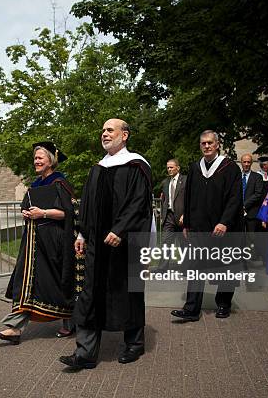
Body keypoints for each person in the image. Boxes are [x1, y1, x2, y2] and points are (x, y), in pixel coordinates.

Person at [59, 119, 153, 370]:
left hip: (124, 244)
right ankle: (85, 353)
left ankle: (134, 343)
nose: (104, 134)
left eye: (110, 130)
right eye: (102, 130)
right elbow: (88, 205)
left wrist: (120, 229)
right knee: (91, 293)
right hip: (98, 245)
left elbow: (139, 204)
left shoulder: (136, 165)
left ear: (125, 135)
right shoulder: (97, 168)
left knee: (128, 292)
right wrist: (81, 234)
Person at [0, 142, 76, 344]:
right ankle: (15, 328)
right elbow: (29, 207)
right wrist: (27, 212)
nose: (36, 161)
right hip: (33, 244)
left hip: (53, 242)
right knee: (27, 283)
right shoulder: (36, 185)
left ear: (51, 160)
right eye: (35, 158)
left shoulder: (60, 183)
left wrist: (43, 213)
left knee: (55, 283)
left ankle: (70, 321)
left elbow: (68, 213)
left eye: (40, 158)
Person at [171, 130, 243, 322]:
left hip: (223, 228)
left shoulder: (230, 168)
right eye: (203, 143)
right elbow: (188, 197)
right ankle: (192, 308)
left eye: (210, 143)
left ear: (217, 144)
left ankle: (223, 304)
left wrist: (225, 221)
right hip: (199, 228)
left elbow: (235, 199)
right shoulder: (195, 168)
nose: (207, 146)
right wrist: (187, 224)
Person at [240, 153, 264, 239]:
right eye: (244, 162)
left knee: (252, 239)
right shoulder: (236, 177)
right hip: (238, 214)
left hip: (252, 213)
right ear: (241, 162)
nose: (246, 164)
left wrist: (244, 205)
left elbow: (258, 194)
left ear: (251, 163)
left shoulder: (257, 177)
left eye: (248, 162)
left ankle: (252, 252)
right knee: (239, 238)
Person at [160, 159, 186, 232]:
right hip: (168, 217)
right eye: (168, 168)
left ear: (178, 168)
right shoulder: (165, 182)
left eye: (171, 167)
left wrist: (185, 214)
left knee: (183, 242)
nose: (169, 169)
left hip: (181, 217)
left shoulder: (185, 181)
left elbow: (190, 200)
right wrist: (162, 215)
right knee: (166, 241)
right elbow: (163, 200)